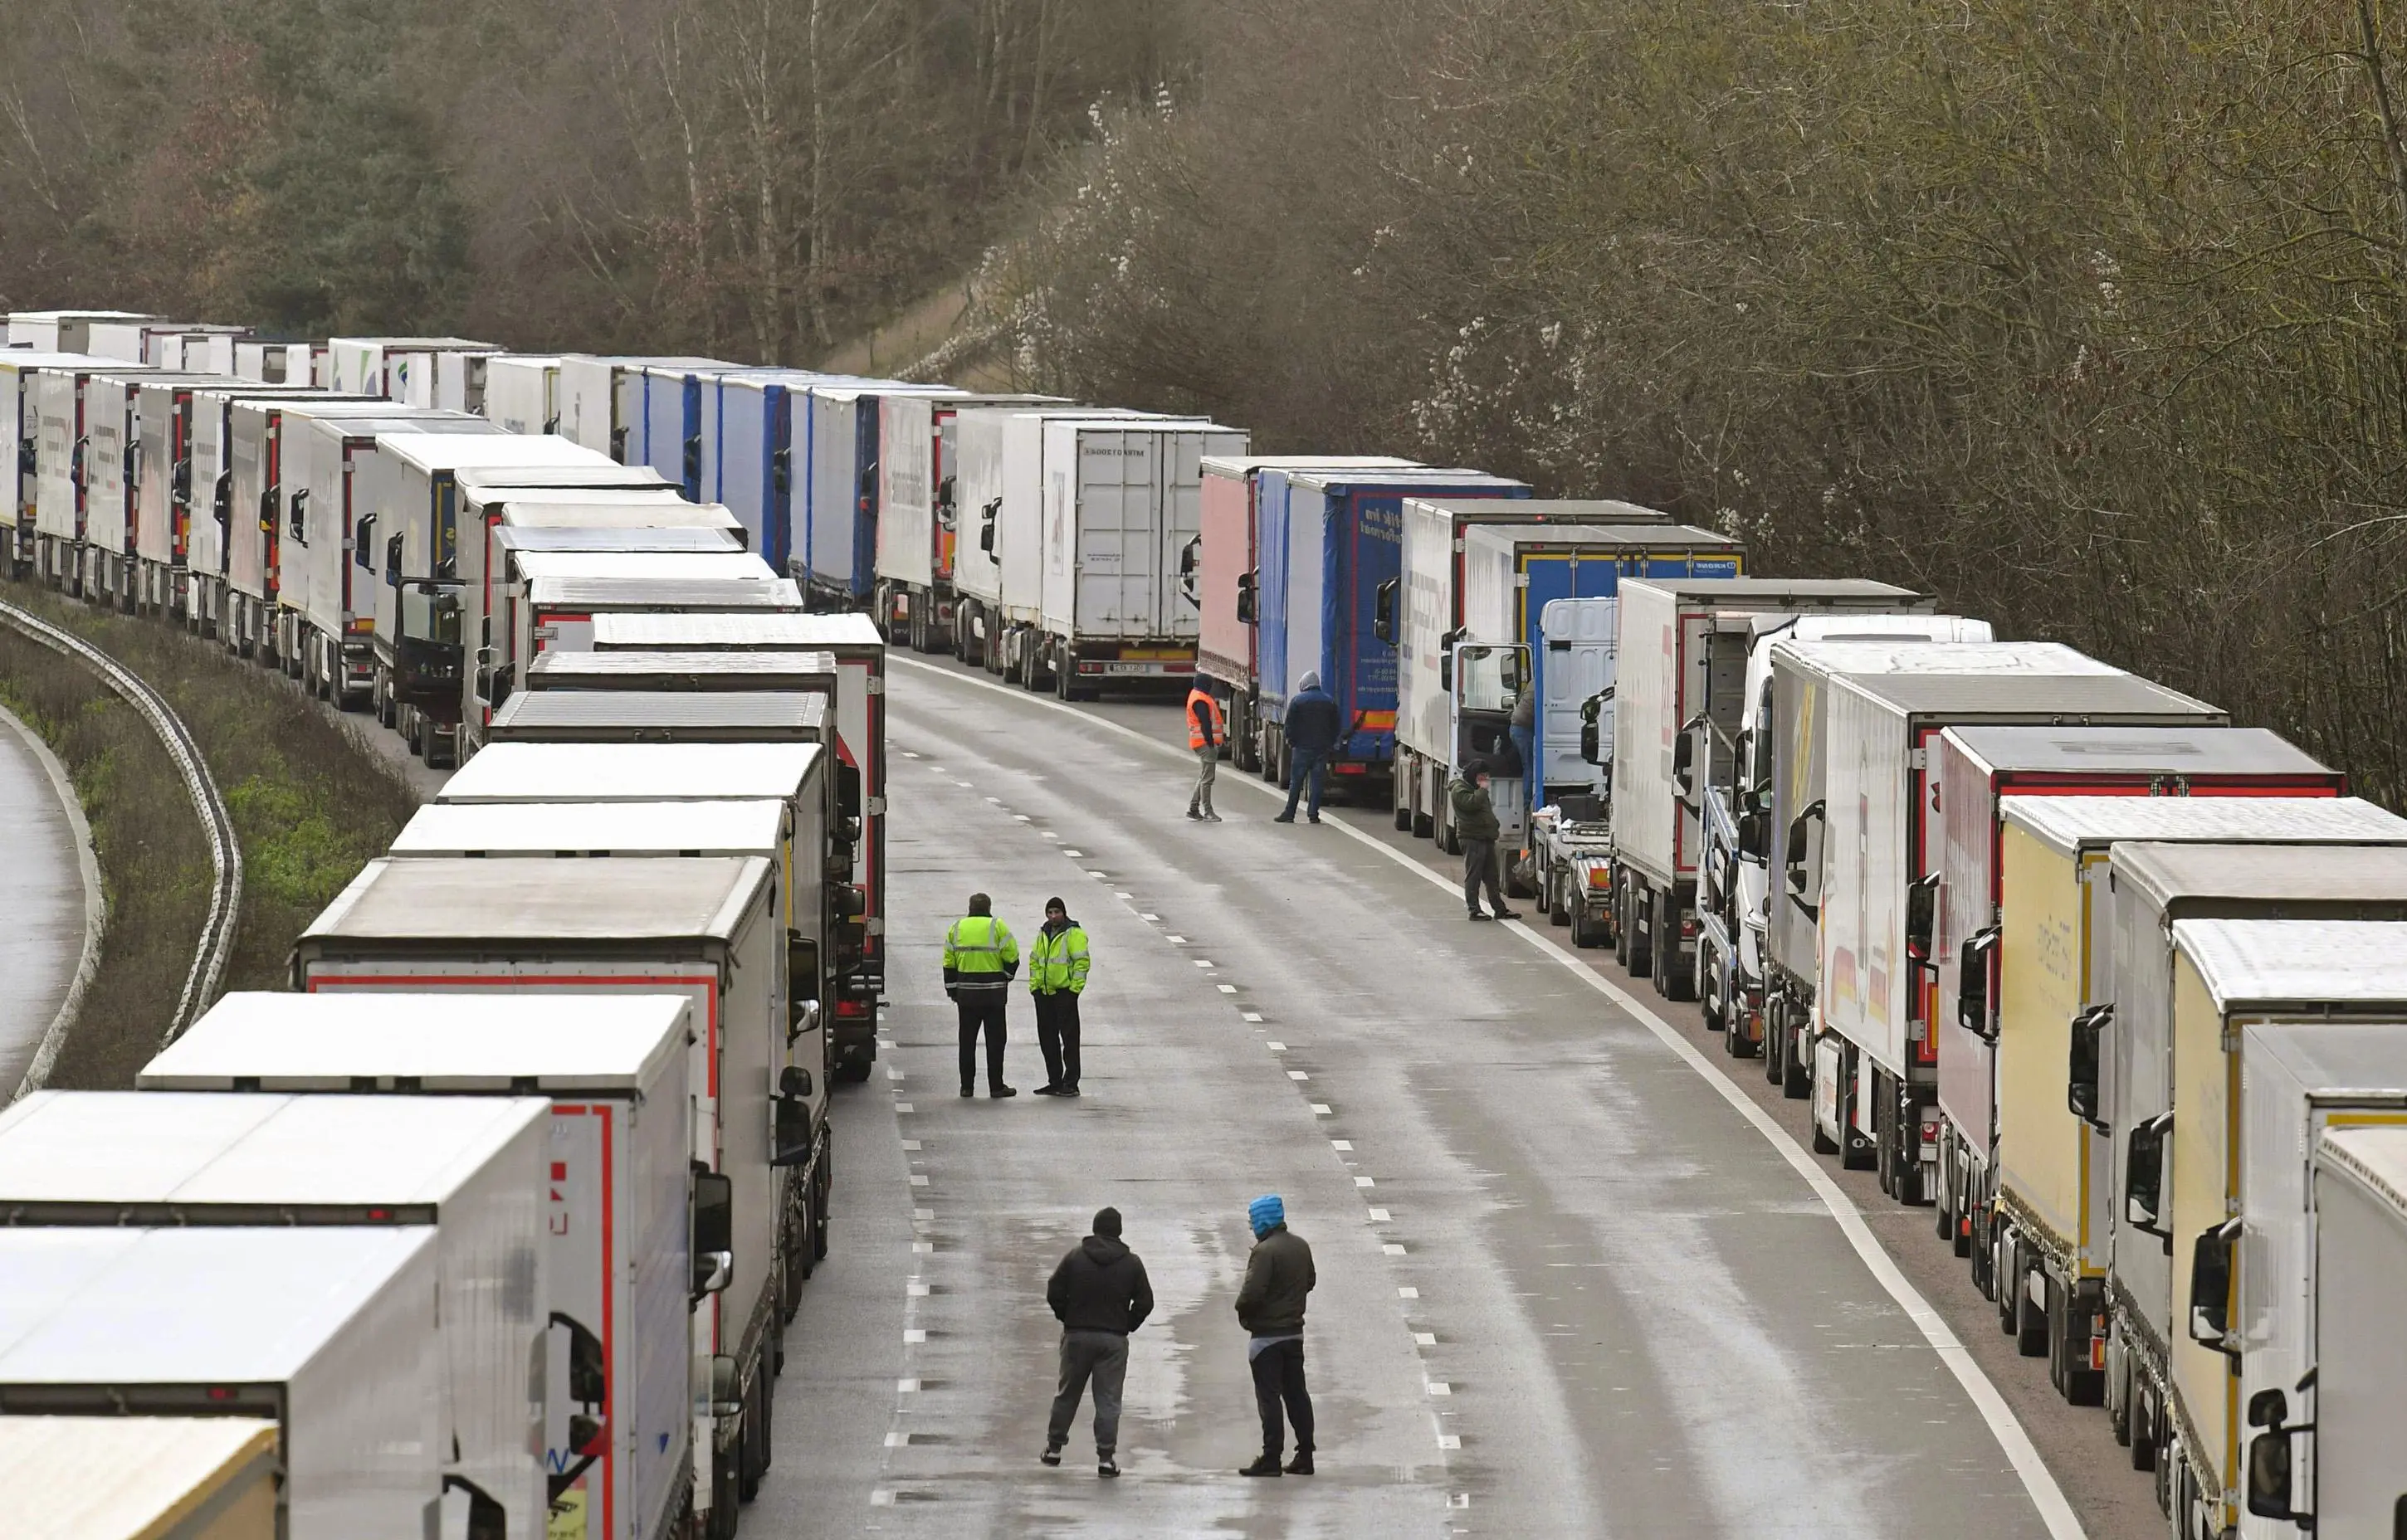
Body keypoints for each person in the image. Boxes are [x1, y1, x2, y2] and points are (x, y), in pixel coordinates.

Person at [1043, 1206, 1154, 1479]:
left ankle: (1054, 1449)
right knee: (1108, 1400)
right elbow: (1145, 1303)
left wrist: (1067, 1317)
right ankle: (1106, 1458)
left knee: (1067, 1393)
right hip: (1113, 1340)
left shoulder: (1075, 1257)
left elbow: (1054, 1290)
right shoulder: (1132, 1263)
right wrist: (1126, 1325)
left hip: (1077, 1336)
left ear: (1094, 1229)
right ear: (1119, 1231)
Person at [1235, 1194, 1316, 1477]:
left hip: (1266, 1337)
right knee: (1297, 1395)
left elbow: (1251, 1293)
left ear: (1262, 1219)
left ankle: (1271, 1458)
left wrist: (1243, 1312)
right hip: (1294, 1334)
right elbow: (1310, 1281)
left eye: (1252, 1219)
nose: (1251, 1225)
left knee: (1269, 1398)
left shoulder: (1264, 1251)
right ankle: (1305, 1455)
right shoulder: (1300, 1246)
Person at [942, 893, 1018, 1098]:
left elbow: (949, 963)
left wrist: (953, 991)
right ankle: (996, 1086)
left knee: (967, 1042)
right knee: (996, 1042)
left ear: (970, 907)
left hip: (967, 996)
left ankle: (967, 1087)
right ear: (989, 907)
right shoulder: (997, 926)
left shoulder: (957, 928)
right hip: (994, 996)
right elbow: (1012, 956)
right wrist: (1006, 978)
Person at [1028, 896, 1091, 1097]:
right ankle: (1054, 1080)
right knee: (1047, 1039)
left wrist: (1074, 990)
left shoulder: (1074, 933)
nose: (1053, 916)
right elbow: (1035, 961)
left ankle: (1071, 1082)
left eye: (1057, 912)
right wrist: (1035, 988)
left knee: (1070, 1039)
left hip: (1065, 993)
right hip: (1044, 993)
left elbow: (1082, 963)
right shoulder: (1043, 933)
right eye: (1050, 912)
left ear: (1064, 913)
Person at [1450, 763, 1521, 923]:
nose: (1485, 780)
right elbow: (1471, 804)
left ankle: (1499, 909)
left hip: (1485, 837)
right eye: (1482, 776)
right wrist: (1482, 790)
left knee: (1492, 876)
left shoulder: (1476, 791)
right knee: (1474, 875)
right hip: (1472, 838)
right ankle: (1474, 910)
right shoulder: (1459, 790)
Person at [1274, 671, 1341, 824]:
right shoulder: (1329, 701)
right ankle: (1313, 814)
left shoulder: (1298, 701)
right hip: (1321, 748)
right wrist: (1331, 743)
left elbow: (1289, 724)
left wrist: (1291, 741)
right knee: (1317, 783)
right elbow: (1336, 725)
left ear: (1304, 684)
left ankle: (1290, 813)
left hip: (1302, 748)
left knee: (1296, 782)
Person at [1186, 685, 1224, 821]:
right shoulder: (1201, 700)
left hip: (1199, 742)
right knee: (1207, 779)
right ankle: (1208, 812)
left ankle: (1193, 808)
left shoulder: (1196, 695)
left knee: (1203, 777)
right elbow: (1205, 723)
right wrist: (1210, 742)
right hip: (1205, 743)